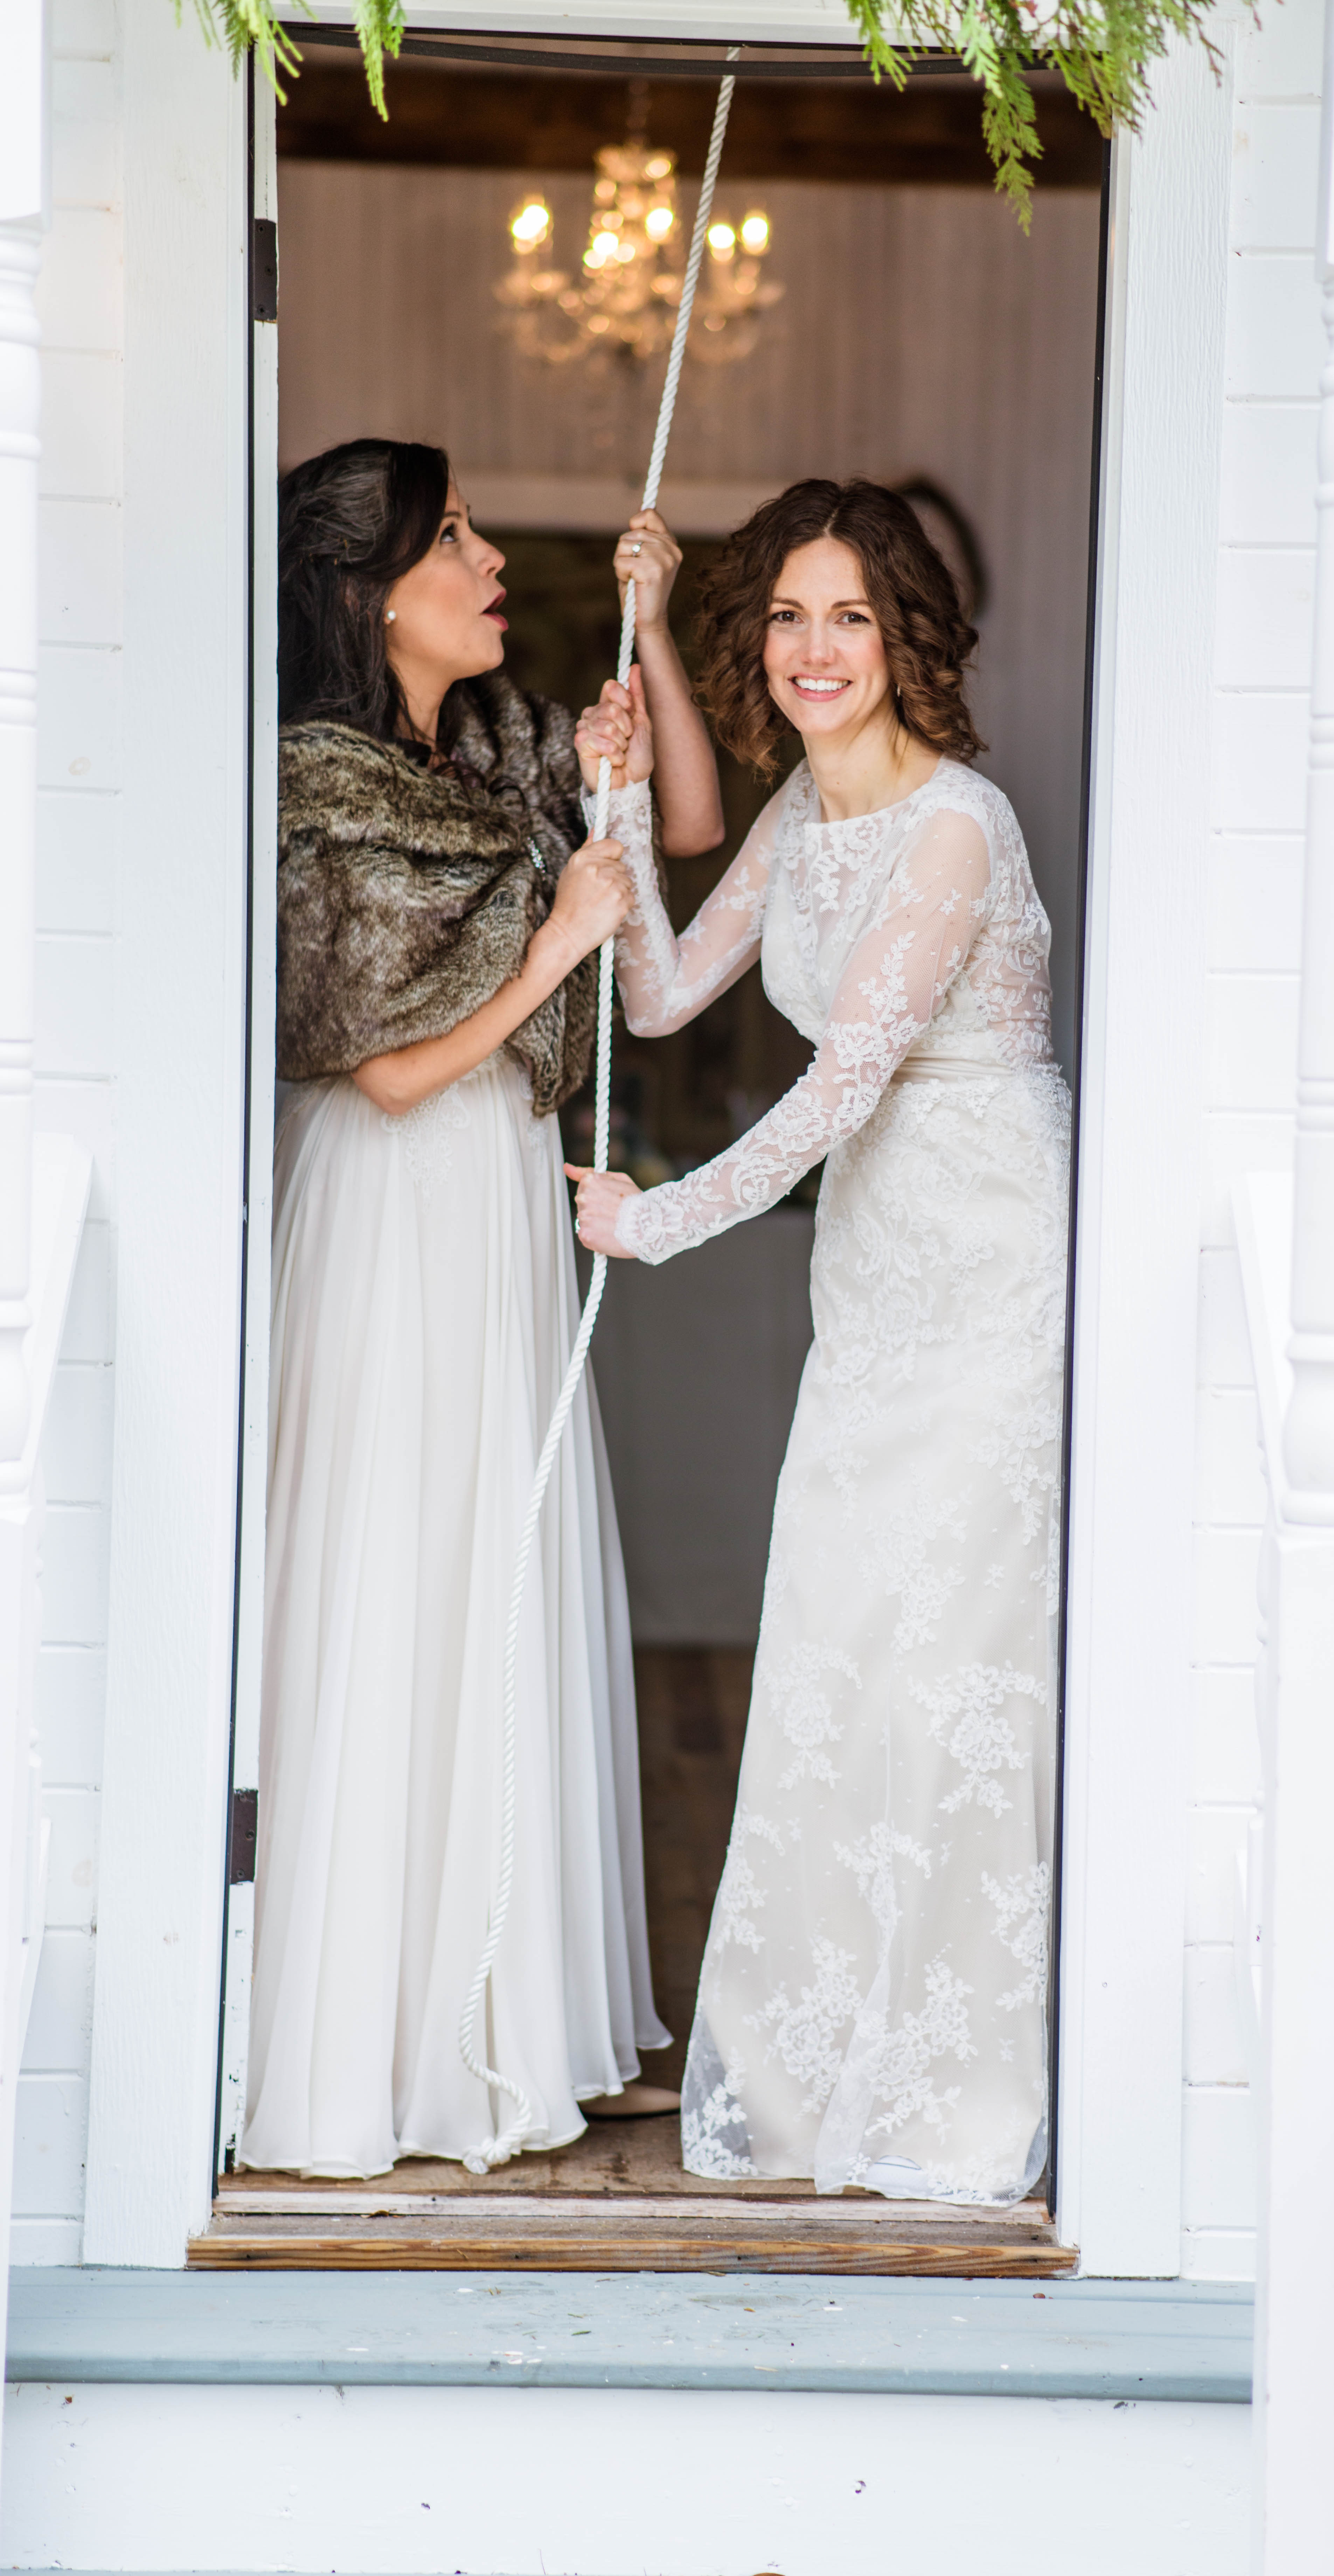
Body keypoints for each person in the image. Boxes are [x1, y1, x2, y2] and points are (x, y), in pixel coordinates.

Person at [573, 479, 1071, 2206]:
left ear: (906, 633)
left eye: (847, 615)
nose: (812, 648)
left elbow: (842, 1085)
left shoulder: (957, 829)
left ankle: (943, 2086)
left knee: (953, 1659)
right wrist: (622, 803)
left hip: (990, 1265)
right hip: (872, 1275)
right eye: (787, 614)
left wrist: (652, 1219)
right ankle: (811, 2082)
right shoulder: (797, 810)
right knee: (844, 1641)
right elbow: (656, 988)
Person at [242, 440, 721, 2177]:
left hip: (500, 1196)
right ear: (373, 592)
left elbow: (677, 822)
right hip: (396, 1206)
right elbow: (373, 1072)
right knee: (399, 1560)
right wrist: (556, 944)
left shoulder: (501, 750)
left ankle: (504, 2011)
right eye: (452, 537)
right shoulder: (316, 784)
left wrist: (647, 640)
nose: (488, 556)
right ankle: (374, 2036)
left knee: (490, 1568)